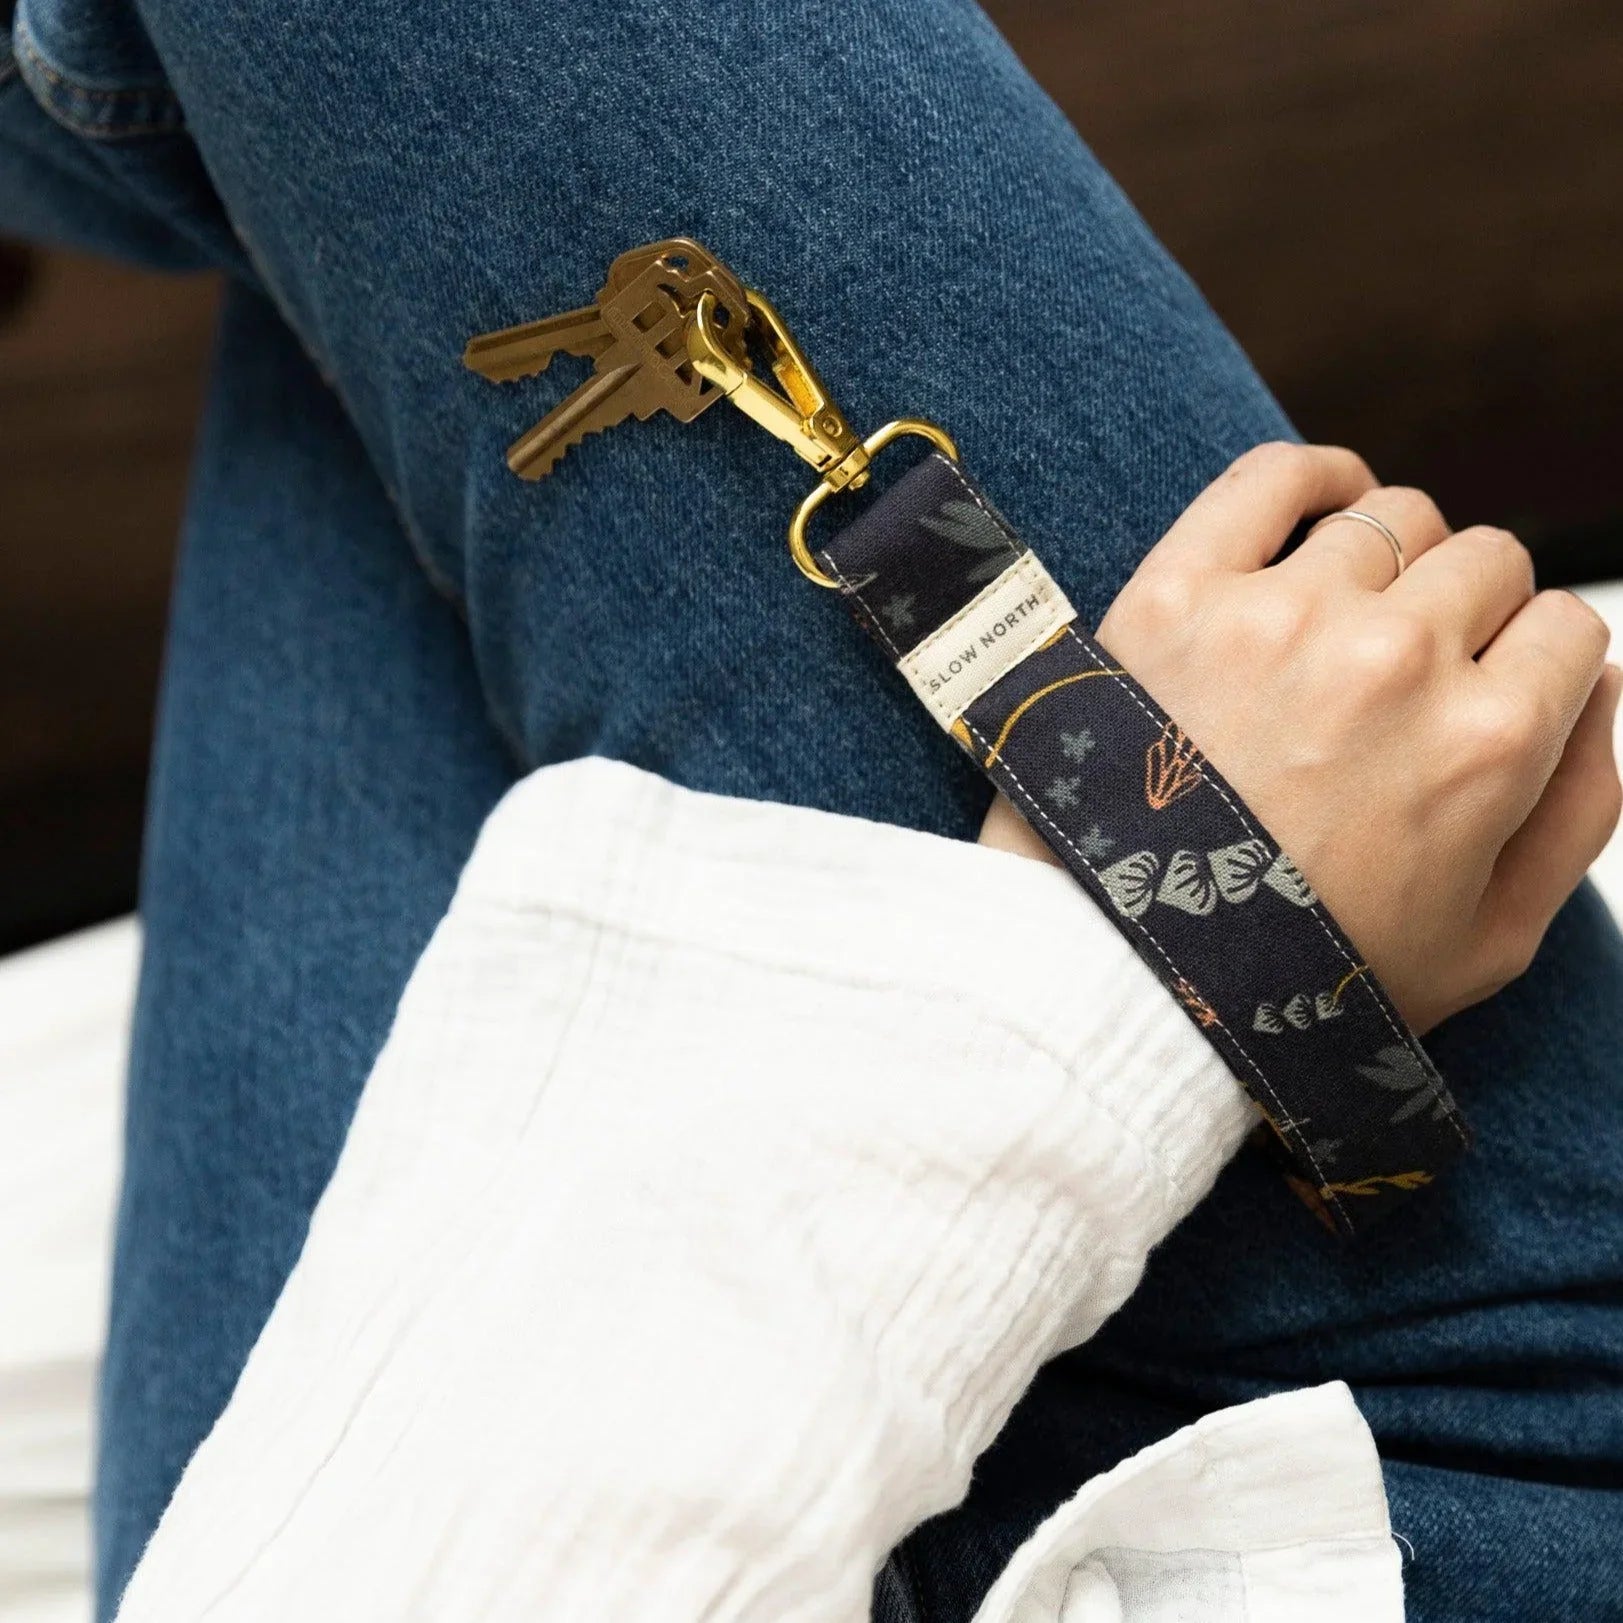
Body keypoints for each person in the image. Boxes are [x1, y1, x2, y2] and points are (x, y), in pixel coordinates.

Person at [3, 2, 1620, 1616]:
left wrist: (1114, 961)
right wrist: (1168, 940)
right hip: (1391, 1487)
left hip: (372, 1509)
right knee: (340, 207)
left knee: (334, 226)